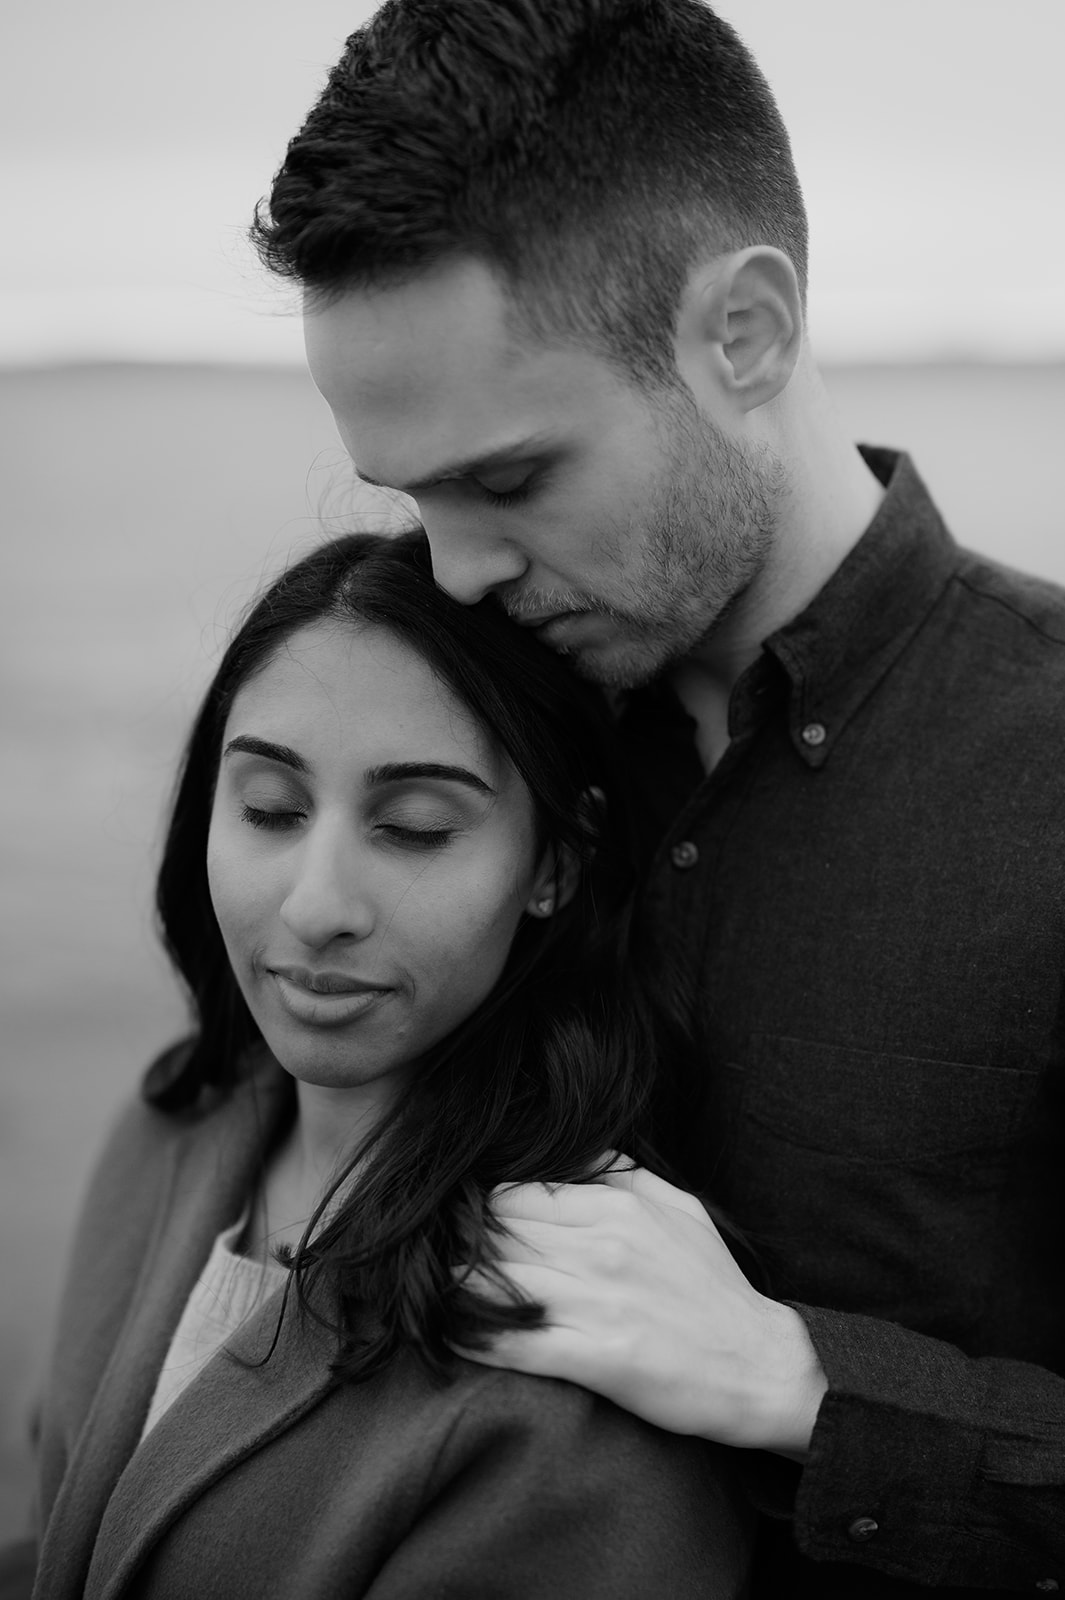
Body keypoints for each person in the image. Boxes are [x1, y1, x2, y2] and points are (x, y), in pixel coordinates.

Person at [249, 1, 1065, 1594]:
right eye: (410, 498)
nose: (459, 571)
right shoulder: (476, 723)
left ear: (743, 334)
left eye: (509, 480)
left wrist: (808, 1389)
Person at [30, 531, 751, 1599]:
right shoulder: (180, 1120)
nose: (317, 906)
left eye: (413, 828)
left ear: (556, 860)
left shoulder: (562, 1377)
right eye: (269, 808)